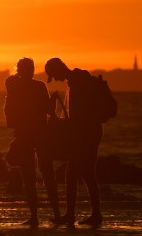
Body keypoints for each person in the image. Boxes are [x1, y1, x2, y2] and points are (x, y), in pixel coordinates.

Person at [45, 57, 105, 227]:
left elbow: (80, 117)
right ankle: (83, 214)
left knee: (79, 174)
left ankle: (83, 215)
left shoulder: (78, 82)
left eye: (54, 75)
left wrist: (60, 121)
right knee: (82, 174)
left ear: (59, 69)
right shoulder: (76, 81)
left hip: (87, 135)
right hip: (88, 133)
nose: (55, 80)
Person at [4, 58, 61, 226]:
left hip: (24, 135)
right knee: (47, 174)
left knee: (29, 176)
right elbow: (48, 110)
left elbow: (9, 111)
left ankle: (35, 216)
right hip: (40, 134)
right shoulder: (39, 86)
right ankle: (56, 214)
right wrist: (54, 100)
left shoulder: (13, 86)